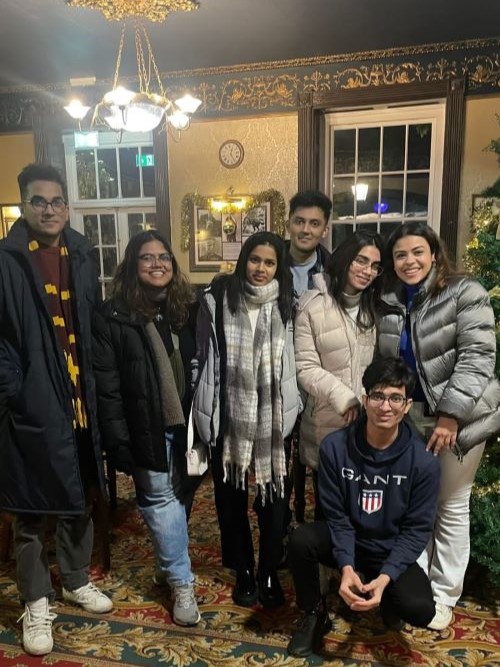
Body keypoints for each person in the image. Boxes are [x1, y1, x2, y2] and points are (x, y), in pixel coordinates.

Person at [0, 163, 112, 657]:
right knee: (29, 507)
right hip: (32, 396)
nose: (49, 209)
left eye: (57, 201)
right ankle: (35, 599)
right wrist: (16, 389)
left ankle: (74, 578)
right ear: (24, 206)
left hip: (79, 394)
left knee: (80, 491)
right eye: (38, 201)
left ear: (68, 206)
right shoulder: (6, 260)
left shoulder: (82, 253)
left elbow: (90, 322)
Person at [377, 221, 500, 631]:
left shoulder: (466, 291)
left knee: (450, 505)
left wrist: (450, 416)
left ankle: (445, 594)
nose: (409, 261)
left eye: (417, 252)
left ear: (434, 253)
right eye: (400, 254)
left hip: (458, 420)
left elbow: (477, 357)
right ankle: (419, 588)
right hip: (411, 422)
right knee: (418, 508)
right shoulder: (392, 300)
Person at [287, 357, 440, 658]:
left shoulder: (424, 461)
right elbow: (338, 518)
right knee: (300, 540)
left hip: (389, 546)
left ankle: (385, 596)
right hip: (350, 540)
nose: (386, 406)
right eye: (378, 396)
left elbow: (416, 530)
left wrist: (386, 577)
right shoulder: (334, 448)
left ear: (407, 405)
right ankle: (314, 614)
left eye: (396, 398)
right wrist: (345, 565)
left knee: (421, 610)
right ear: (365, 398)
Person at [92, 230, 201, 627]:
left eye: (164, 257)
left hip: (190, 425)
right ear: (132, 266)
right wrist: (119, 440)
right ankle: (183, 583)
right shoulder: (113, 315)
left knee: (183, 494)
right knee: (159, 500)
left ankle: (168, 565)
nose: (158, 264)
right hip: (145, 426)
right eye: (147, 258)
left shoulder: (185, 309)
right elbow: (108, 386)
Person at [192, 231, 301, 608]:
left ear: (278, 267)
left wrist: (295, 404)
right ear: (244, 260)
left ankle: (269, 569)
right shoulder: (217, 299)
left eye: (269, 262)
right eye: (255, 260)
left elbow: (296, 361)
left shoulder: (289, 303)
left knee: (274, 501)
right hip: (230, 413)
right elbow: (202, 354)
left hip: (273, 418)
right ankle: (243, 569)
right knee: (230, 499)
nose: (261, 268)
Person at [294, 231, 385, 519]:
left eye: (374, 265)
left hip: (369, 424)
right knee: (330, 511)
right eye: (361, 260)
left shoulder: (375, 306)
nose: (367, 271)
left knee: (366, 508)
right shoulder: (312, 305)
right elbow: (305, 367)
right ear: (345, 258)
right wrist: (344, 397)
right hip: (328, 421)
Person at [285, 189, 332, 522]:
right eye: (299, 221)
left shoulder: (335, 269)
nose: (306, 229)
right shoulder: (268, 261)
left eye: (314, 223)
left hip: (318, 377)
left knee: (322, 465)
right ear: (288, 223)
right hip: (279, 377)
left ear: (324, 229)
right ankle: (282, 532)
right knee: (279, 469)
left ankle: (317, 538)